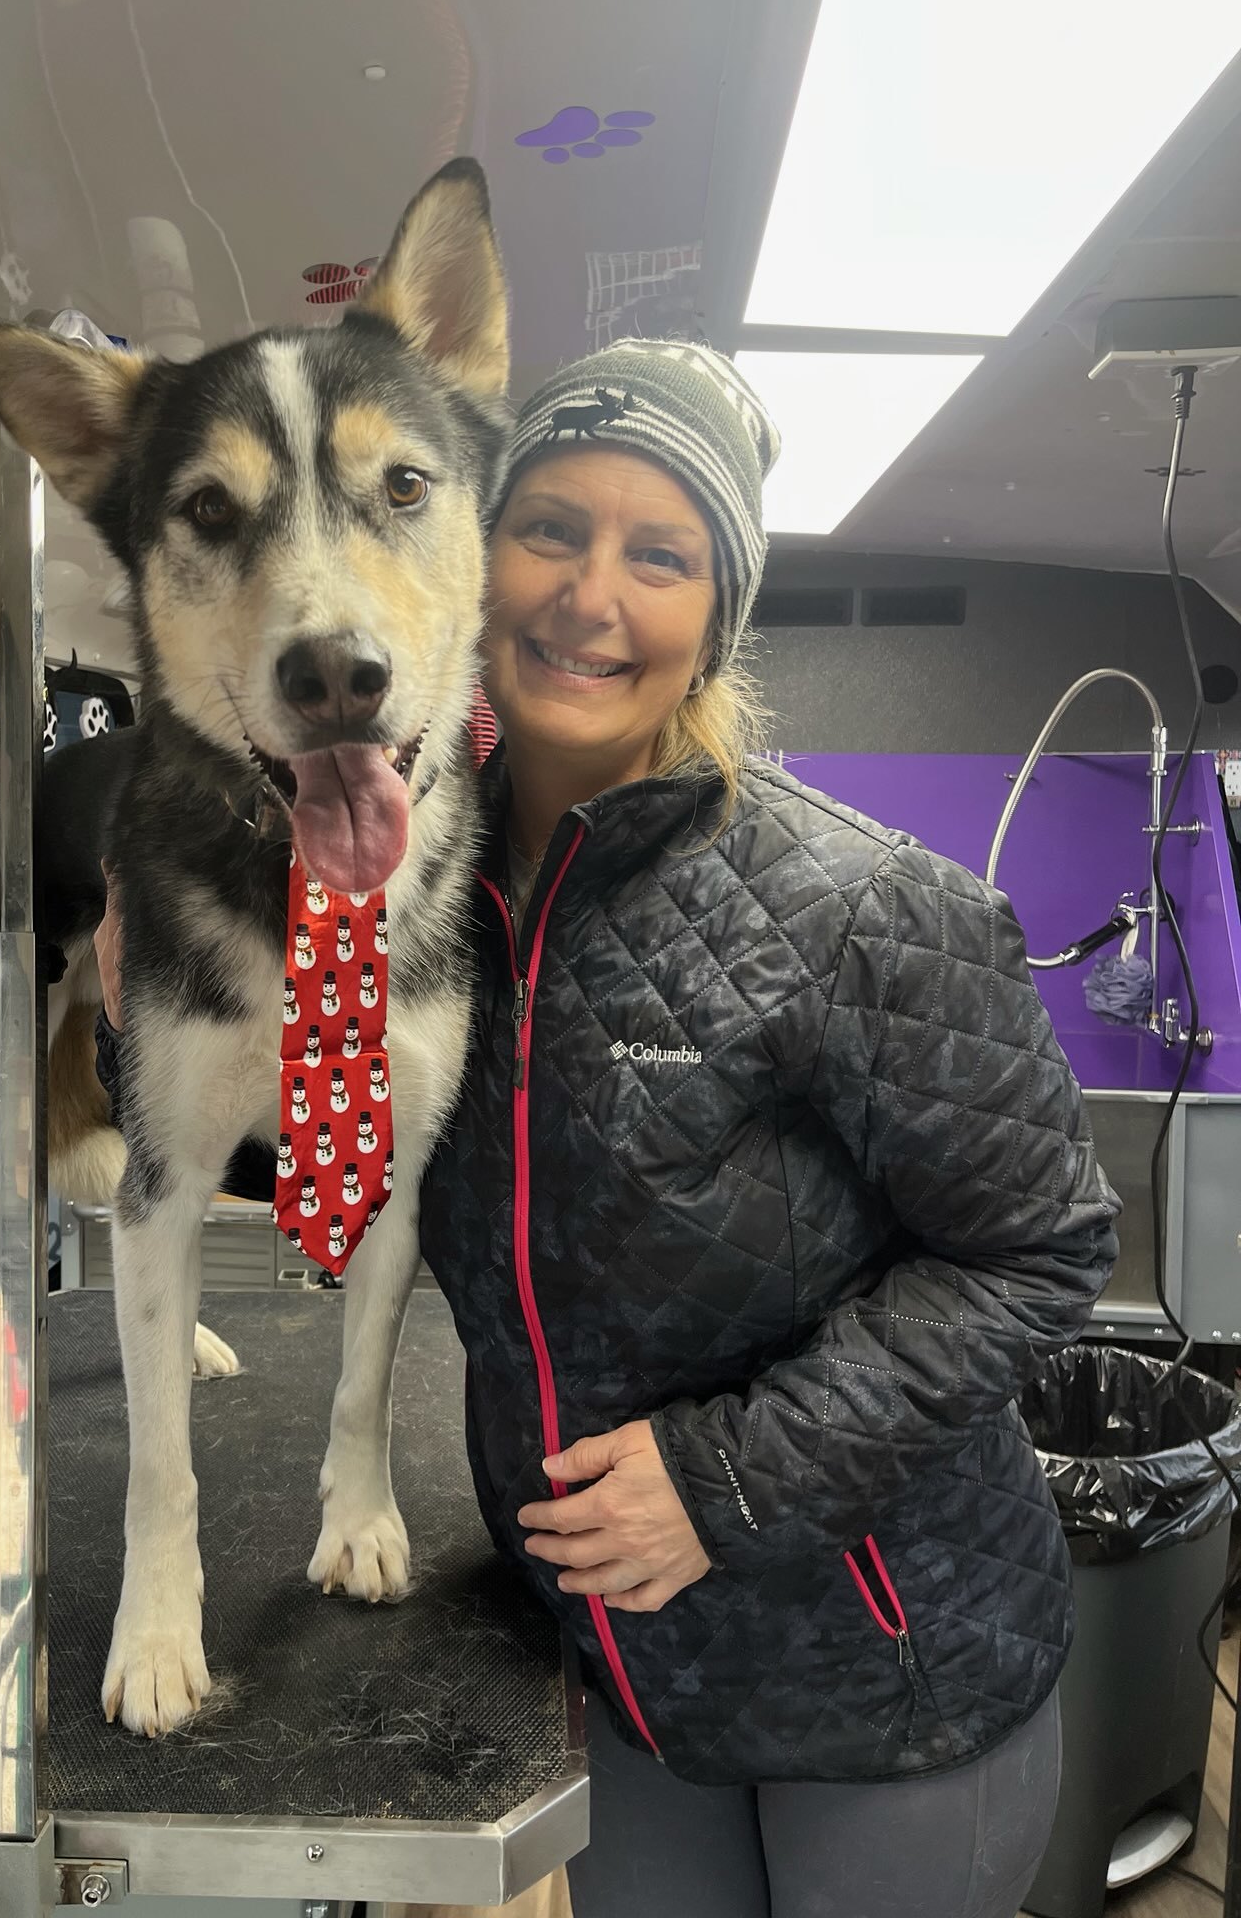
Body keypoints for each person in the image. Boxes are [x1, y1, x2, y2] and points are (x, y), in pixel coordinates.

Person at [96, 340, 1119, 1918]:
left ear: (720, 612)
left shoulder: (864, 907)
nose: (590, 597)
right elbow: (322, 1152)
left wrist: (729, 1482)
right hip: (609, 1655)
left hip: (888, 1668)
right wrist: (144, 963)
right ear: (464, 551)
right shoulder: (413, 891)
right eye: (552, 528)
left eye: (663, 556)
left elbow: (1043, 1256)